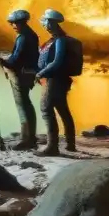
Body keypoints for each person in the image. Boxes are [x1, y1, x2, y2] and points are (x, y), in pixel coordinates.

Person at [0, 9, 40, 150]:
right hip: (29, 73)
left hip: (21, 74)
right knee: (27, 103)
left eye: (15, 23)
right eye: (11, 23)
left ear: (22, 22)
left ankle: (27, 139)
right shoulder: (32, 34)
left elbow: (16, 59)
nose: (13, 25)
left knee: (22, 105)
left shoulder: (23, 37)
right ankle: (30, 136)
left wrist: (1, 60)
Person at [35, 8, 77, 156]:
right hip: (58, 78)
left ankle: (52, 146)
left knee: (46, 108)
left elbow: (57, 61)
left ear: (51, 22)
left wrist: (41, 73)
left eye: (45, 21)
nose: (44, 24)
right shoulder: (57, 39)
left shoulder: (59, 40)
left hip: (55, 79)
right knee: (62, 109)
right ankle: (70, 144)